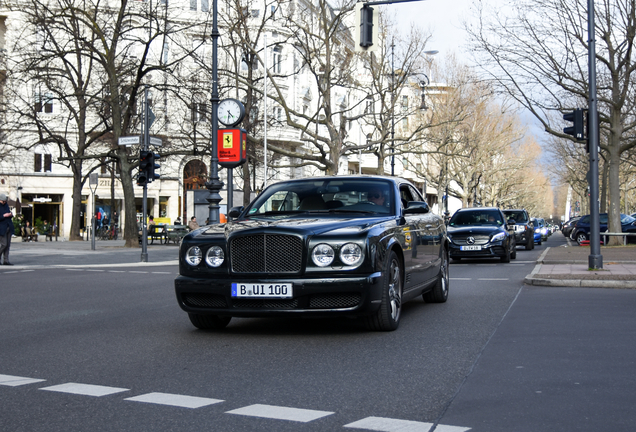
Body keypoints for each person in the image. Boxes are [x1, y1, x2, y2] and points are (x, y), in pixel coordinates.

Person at [0, 193, 15, 265]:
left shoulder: (6, 206)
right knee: (4, 244)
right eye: (3, 201)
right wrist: (4, 215)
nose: (4, 202)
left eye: (5, 201)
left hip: (8, 226)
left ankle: (6, 260)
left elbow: (9, 214)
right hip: (1, 228)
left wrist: (10, 214)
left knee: (8, 245)